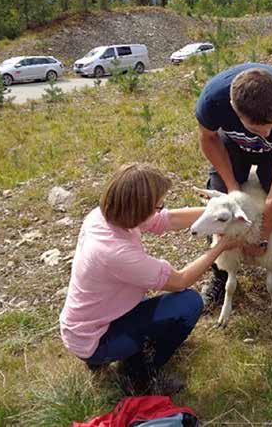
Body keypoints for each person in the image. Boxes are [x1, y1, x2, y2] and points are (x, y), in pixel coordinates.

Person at [59, 163, 240, 394]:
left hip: (86, 324)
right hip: (96, 338)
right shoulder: (116, 253)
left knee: (173, 305)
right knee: (188, 303)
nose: (160, 209)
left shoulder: (103, 216)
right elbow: (181, 280)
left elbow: (168, 220)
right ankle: (140, 372)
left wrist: (219, 214)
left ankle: (112, 354)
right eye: (157, 205)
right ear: (138, 208)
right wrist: (220, 246)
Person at [195, 63, 272, 347]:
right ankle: (221, 275)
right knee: (219, 208)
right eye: (260, 129)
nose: (268, 134)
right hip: (231, 147)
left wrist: (260, 236)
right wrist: (234, 191)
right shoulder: (213, 100)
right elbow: (208, 139)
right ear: (234, 110)